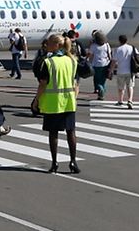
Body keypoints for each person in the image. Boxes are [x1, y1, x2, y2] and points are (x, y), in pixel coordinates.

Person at [34, 33, 79, 174]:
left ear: (57, 45)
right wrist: (74, 97)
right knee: (71, 132)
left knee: (53, 134)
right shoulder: (72, 60)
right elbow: (75, 83)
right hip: (69, 102)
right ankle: (73, 161)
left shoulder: (48, 62)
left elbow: (43, 84)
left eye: (50, 43)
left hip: (53, 103)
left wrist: (36, 100)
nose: (47, 45)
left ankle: (54, 162)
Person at [110, 34, 139, 109]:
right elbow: (137, 56)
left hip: (120, 71)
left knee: (121, 87)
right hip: (130, 71)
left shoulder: (117, 49)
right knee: (130, 86)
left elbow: (114, 61)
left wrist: (111, 70)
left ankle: (120, 100)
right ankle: (130, 100)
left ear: (119, 41)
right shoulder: (132, 48)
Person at [89, 30, 112, 100]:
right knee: (103, 79)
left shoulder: (93, 46)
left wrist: (90, 62)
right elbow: (109, 55)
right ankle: (102, 93)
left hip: (96, 65)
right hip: (105, 64)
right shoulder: (107, 45)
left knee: (97, 79)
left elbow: (91, 55)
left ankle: (100, 89)